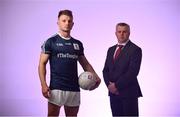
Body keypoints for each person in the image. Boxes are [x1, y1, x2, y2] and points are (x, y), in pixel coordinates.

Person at [38, 9, 101, 117]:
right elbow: (41, 64)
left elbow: (84, 63)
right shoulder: (51, 42)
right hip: (56, 88)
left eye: (69, 21)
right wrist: (43, 85)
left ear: (72, 24)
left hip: (74, 88)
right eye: (63, 20)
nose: (66, 23)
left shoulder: (77, 44)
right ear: (58, 22)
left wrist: (95, 76)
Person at [103, 23, 142, 116]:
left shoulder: (135, 49)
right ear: (115, 33)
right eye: (119, 32)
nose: (121, 34)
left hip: (128, 93)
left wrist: (116, 85)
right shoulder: (111, 50)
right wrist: (109, 86)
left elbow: (133, 72)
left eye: (124, 32)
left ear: (129, 33)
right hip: (113, 93)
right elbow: (105, 70)